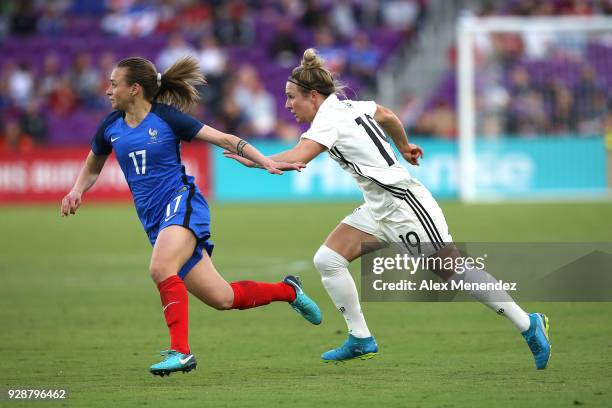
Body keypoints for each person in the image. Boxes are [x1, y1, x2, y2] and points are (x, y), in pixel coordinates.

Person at [225, 49, 551, 369]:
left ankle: (528, 323)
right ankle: (360, 338)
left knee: (454, 271)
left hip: (405, 206)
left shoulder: (328, 119)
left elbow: (299, 157)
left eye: (291, 97)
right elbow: (387, 115)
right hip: (378, 207)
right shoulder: (349, 106)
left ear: (312, 96)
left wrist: (255, 160)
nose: (287, 105)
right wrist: (404, 146)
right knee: (328, 259)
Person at [60, 56, 322, 377]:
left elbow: (225, 139)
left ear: (135, 88)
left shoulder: (167, 119)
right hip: (156, 221)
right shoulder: (110, 126)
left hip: (182, 203)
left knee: (160, 267)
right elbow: (93, 164)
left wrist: (264, 161)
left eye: (114, 84)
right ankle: (289, 290)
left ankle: (181, 352)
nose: (108, 90)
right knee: (224, 298)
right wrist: (77, 190)